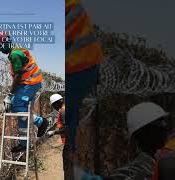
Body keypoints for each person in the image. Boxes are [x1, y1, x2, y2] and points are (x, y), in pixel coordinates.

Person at [71, 102, 175, 180]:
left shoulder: (163, 157)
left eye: (164, 124)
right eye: (160, 125)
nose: (165, 128)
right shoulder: (140, 168)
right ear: (144, 133)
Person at [0, 31, 48, 153]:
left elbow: (18, 76)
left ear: (5, 43)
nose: (0, 50)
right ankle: (24, 144)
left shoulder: (15, 54)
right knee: (21, 113)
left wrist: (9, 95)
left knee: (16, 106)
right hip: (30, 83)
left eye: (0, 46)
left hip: (30, 83)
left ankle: (41, 122)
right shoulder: (15, 51)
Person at [66, 0, 104, 151]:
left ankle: (75, 150)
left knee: (76, 120)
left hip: (76, 69)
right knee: (81, 118)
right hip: (90, 64)